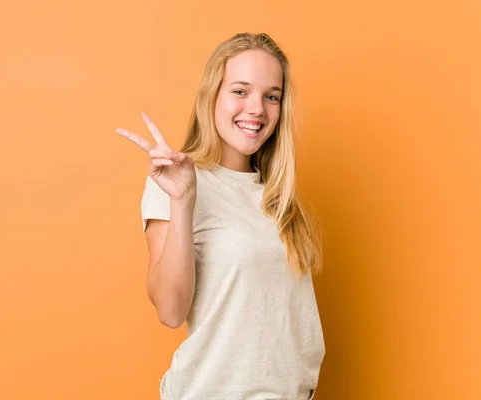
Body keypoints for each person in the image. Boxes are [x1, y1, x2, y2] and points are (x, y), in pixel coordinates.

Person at [116, 32, 325, 400]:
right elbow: (170, 310)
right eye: (240, 91)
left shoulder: (280, 199)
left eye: (271, 96)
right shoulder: (178, 182)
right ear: (212, 96)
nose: (257, 108)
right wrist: (183, 200)